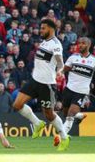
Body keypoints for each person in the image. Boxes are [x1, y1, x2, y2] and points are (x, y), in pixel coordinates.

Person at [12, 19, 69, 151]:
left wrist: (60, 70)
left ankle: (64, 138)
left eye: (43, 28)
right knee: (17, 105)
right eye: (41, 28)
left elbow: (60, 61)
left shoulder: (55, 44)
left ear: (51, 29)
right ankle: (37, 123)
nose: (41, 31)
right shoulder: (44, 42)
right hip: (34, 81)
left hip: (47, 85)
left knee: (49, 115)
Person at [54, 37, 94, 146]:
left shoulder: (93, 61)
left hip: (81, 92)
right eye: (79, 43)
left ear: (88, 45)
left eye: (83, 43)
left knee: (70, 114)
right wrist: (60, 72)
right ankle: (79, 116)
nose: (80, 45)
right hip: (69, 89)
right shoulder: (73, 58)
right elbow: (64, 68)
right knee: (66, 113)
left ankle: (61, 136)